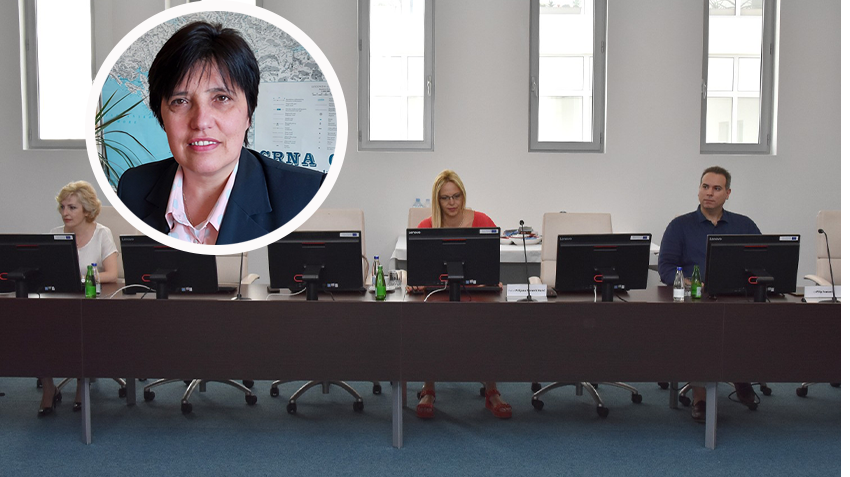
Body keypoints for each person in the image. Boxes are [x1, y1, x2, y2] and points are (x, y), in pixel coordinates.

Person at [117, 21, 323, 245]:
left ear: (249, 113)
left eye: (221, 98)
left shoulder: (307, 193)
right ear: (162, 116)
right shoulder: (133, 188)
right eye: (181, 101)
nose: (201, 122)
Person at [657, 166, 761, 423]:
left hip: (735, 297)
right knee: (698, 330)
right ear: (698, 190)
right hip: (694, 300)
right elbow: (666, 267)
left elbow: (761, 261)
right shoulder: (680, 226)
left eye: (716, 188)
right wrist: (689, 281)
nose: (709, 193)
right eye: (705, 187)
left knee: (752, 321)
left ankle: (740, 375)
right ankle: (700, 397)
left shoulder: (744, 225)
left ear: (728, 193)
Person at [413, 169, 512, 419]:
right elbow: (420, 270)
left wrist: (491, 280)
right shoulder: (426, 226)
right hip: (440, 294)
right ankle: (428, 389)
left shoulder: (482, 221)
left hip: (475, 293)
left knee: (490, 322)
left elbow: (491, 264)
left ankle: (492, 391)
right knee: (425, 322)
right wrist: (415, 283)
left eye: (456, 196)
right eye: (445, 198)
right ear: (437, 200)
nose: (452, 203)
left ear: (463, 195)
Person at [39, 181, 119, 417]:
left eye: (72, 207)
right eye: (63, 207)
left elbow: (112, 274)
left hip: (92, 302)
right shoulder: (54, 235)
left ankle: (80, 386)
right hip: (60, 301)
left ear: (87, 210)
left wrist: (83, 278)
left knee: (79, 329)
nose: (65, 212)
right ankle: (48, 388)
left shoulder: (102, 233)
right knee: (37, 328)